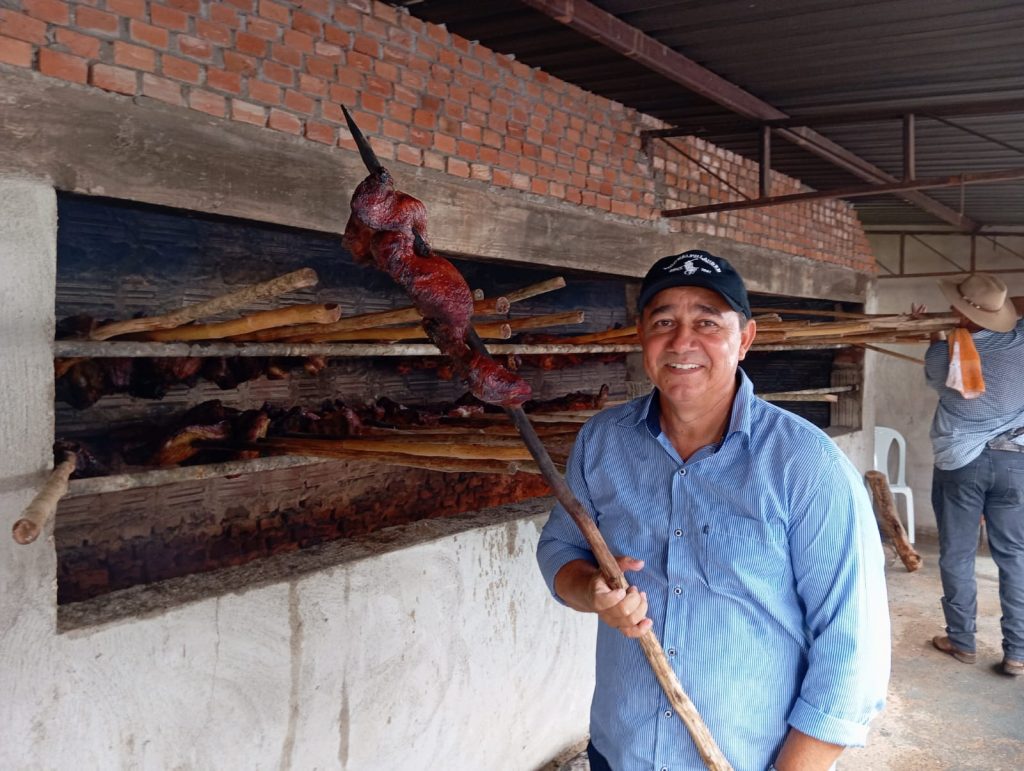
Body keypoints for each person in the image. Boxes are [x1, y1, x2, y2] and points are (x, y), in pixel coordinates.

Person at [536, 250, 890, 771]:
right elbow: (560, 548)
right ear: (642, 337)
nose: (682, 342)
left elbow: (852, 649)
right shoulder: (603, 442)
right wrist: (589, 590)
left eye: (707, 322)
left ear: (744, 339)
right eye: (664, 322)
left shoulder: (806, 465)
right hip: (618, 751)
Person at [920, 272, 1024, 677]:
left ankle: (962, 642)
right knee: (1014, 556)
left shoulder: (944, 352)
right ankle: (1017, 651)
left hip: (960, 461)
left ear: (960, 311)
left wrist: (932, 332)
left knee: (958, 554)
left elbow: (935, 382)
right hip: (1014, 460)